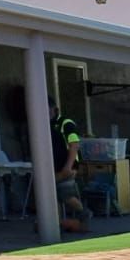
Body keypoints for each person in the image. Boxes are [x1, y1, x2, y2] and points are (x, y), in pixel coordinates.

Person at [50, 98, 89, 228]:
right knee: (58, 194)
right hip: (56, 166)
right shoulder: (47, 124)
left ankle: (83, 215)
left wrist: (68, 166)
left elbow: (74, 144)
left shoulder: (66, 123)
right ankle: (58, 222)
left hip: (66, 166)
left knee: (63, 194)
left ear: (54, 109)